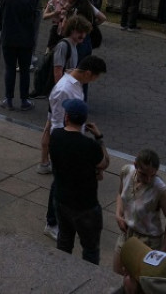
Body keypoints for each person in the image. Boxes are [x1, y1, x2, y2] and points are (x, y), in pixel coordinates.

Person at [41, 56, 108, 239]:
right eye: (94, 77)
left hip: (69, 138)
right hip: (64, 140)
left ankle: (59, 218)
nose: (93, 81)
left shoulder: (74, 84)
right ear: (87, 73)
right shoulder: (66, 89)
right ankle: (52, 221)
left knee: (63, 182)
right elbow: (60, 118)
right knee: (59, 182)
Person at [48, 97, 110, 264]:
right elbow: (104, 163)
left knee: (64, 243)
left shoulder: (56, 136)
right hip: (86, 206)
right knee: (90, 250)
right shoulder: (90, 146)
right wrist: (99, 137)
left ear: (66, 117)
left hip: (62, 200)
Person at [114, 149, 166, 292]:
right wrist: (118, 214)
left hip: (148, 241)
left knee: (136, 285)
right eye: (144, 174)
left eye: (152, 175)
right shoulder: (126, 172)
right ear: (135, 165)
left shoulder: (160, 189)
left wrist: (163, 252)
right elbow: (120, 194)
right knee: (117, 274)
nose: (148, 179)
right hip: (127, 233)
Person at [0, 0, 38, 110]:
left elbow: (0, 12)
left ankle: (8, 99)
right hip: (26, 39)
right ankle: (24, 100)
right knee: (25, 70)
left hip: (9, 37)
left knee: (9, 69)